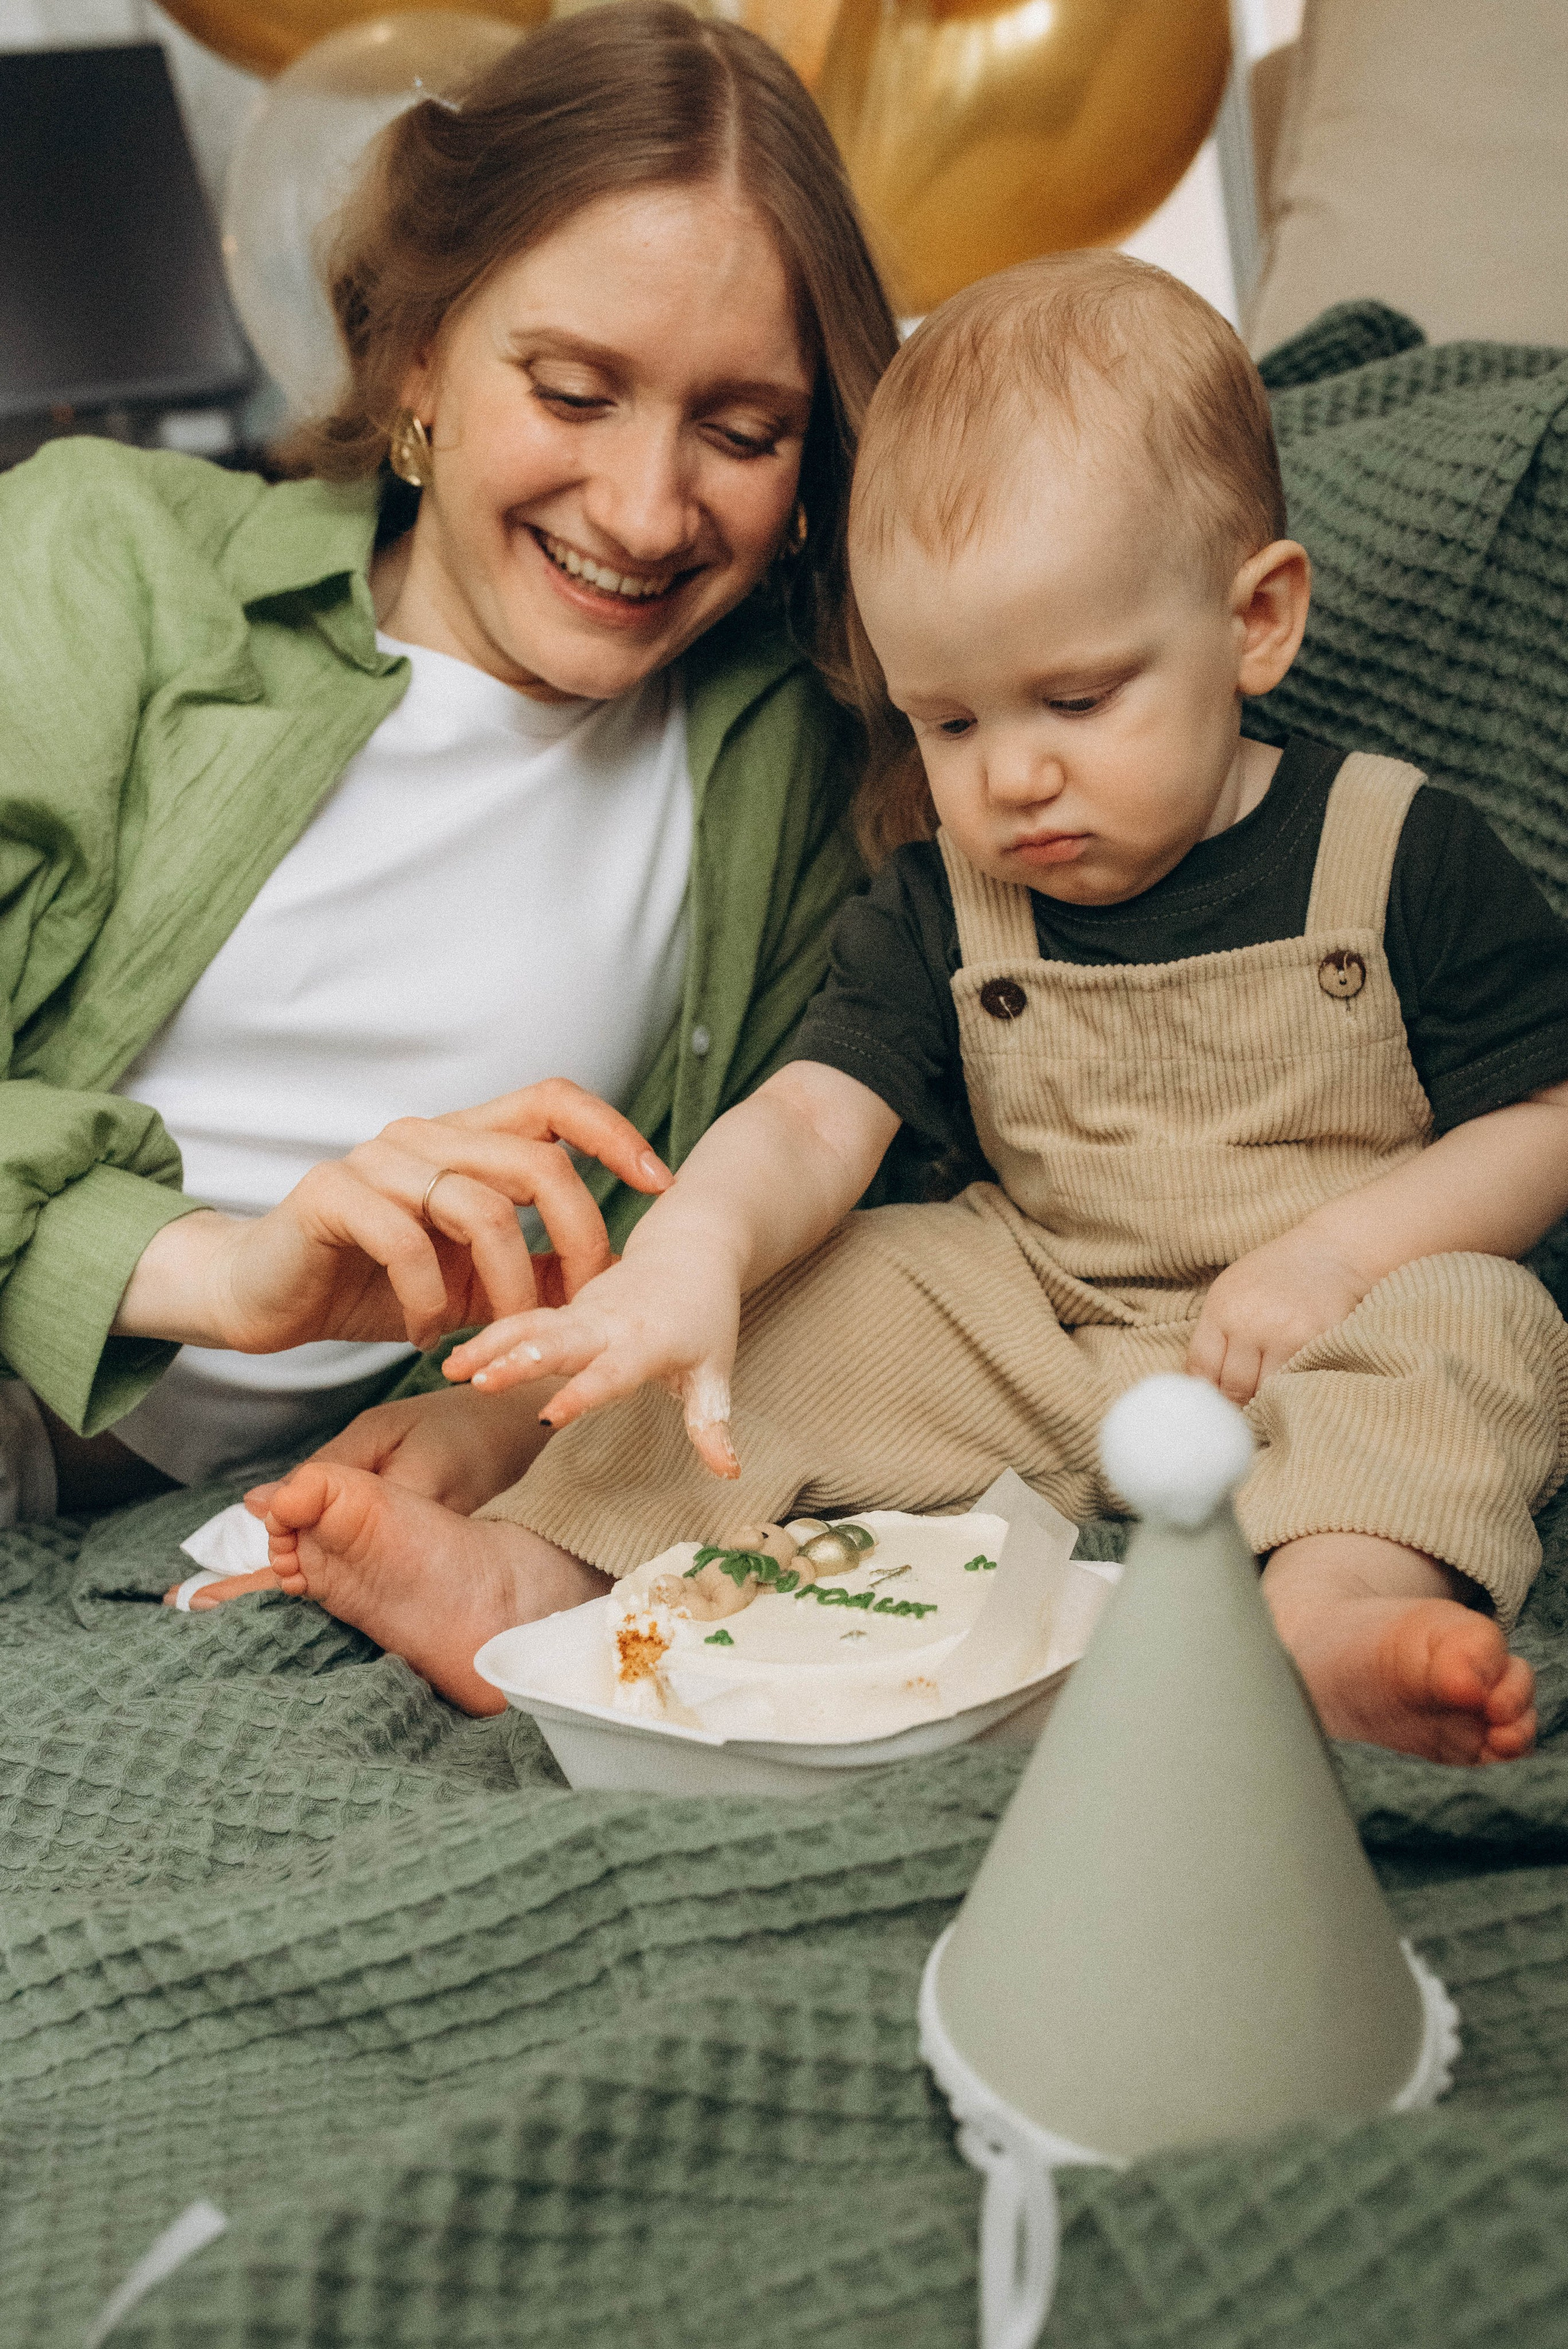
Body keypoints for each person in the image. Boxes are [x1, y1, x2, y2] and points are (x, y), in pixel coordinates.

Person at [230, 252, 1568, 1766]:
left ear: (1255, 620)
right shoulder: (944, 898)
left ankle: (1325, 1621)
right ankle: (546, 1577)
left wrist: (1340, 1255)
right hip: (1041, 1321)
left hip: (1331, 1322)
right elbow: (811, 1115)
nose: (1011, 775)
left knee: (1482, 1322)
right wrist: (694, 1256)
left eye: (1074, 700)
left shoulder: (1393, 846)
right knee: (814, 1294)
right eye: (948, 720)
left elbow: (1542, 1118)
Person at [0, 4, 899, 1548]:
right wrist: (214, 1268)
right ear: (420, 350)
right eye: (569, 392)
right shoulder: (112, 554)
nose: (640, 509)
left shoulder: (801, 751)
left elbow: (827, 1192)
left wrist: (498, 1416)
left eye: (741, 431)